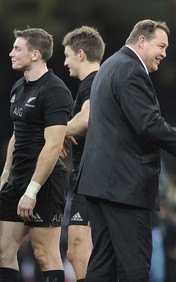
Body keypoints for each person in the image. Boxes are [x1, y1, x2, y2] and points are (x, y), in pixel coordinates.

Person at [74, 19, 176, 282]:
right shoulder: (131, 69)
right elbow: (148, 123)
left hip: (99, 182)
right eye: (161, 46)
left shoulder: (110, 66)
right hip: (123, 187)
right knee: (134, 265)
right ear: (142, 41)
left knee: (103, 263)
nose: (165, 54)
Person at [0, 27, 73, 281]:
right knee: (3, 251)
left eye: (17, 48)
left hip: (45, 180)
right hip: (17, 178)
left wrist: (32, 191)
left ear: (35, 54)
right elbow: (16, 135)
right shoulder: (18, 87)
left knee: (44, 253)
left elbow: (53, 146)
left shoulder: (55, 90)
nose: (11, 53)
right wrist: (6, 174)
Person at [60, 25, 105, 282]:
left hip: (91, 177)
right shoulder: (98, 82)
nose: (65, 62)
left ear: (80, 54)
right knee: (89, 252)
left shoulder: (92, 82)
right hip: (92, 176)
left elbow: (85, 120)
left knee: (78, 251)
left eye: (66, 55)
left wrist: (59, 132)